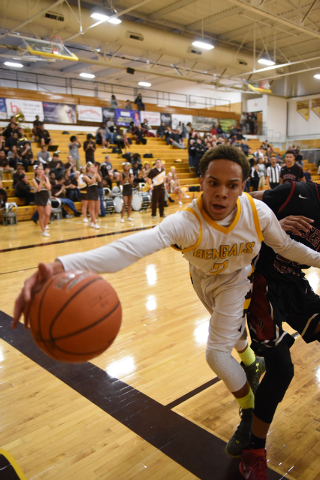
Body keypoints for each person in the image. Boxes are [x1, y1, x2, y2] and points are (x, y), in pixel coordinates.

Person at [13, 145, 320, 468]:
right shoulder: (185, 222)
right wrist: (61, 265)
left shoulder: (257, 214)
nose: (221, 193)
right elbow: (130, 248)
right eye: (213, 183)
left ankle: (247, 409)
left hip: (235, 281)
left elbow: (286, 246)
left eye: (232, 185)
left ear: (242, 187)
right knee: (233, 336)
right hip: (202, 280)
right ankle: (249, 362)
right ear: (200, 181)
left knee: (216, 352)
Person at [240, 181, 320, 478]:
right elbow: (240, 203)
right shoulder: (296, 193)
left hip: (295, 284)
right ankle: (254, 450)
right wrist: (269, 224)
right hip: (260, 285)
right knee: (282, 370)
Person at [32, 164, 51, 237]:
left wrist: (44, 181)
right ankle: (43, 230)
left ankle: (45, 226)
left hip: (46, 196)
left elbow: (49, 188)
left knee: (47, 214)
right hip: (39, 197)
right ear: (36, 171)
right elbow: (38, 189)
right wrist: (41, 181)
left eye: (41, 169)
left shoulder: (46, 178)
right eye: (38, 169)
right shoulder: (34, 179)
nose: (40, 170)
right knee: (41, 215)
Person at [83, 162, 101, 229]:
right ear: (88, 168)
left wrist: (96, 172)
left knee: (97, 209)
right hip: (90, 192)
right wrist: (95, 175)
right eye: (92, 167)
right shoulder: (85, 176)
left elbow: (100, 180)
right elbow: (92, 182)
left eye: (94, 167)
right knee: (92, 209)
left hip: (96, 191)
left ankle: (91, 220)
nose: (93, 168)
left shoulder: (95, 174)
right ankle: (95, 223)